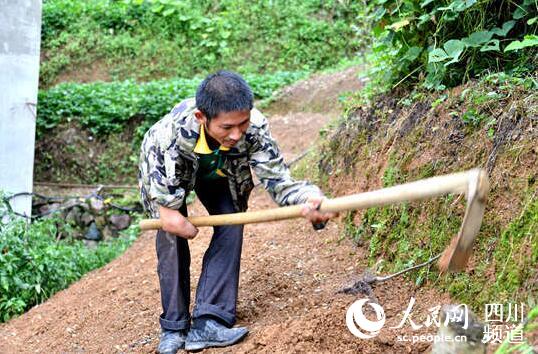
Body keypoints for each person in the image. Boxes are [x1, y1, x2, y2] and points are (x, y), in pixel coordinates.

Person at [138, 71, 335, 353]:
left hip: (220, 171)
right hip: (173, 172)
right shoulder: (167, 139)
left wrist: (309, 198)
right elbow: (167, 208)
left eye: (242, 124)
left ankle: (209, 321)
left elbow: (280, 182)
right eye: (227, 127)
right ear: (201, 117)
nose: (236, 134)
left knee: (232, 220)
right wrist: (173, 219)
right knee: (171, 235)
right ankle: (174, 327)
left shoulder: (253, 128)